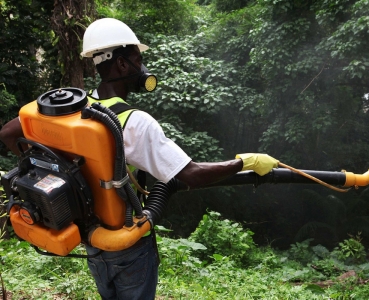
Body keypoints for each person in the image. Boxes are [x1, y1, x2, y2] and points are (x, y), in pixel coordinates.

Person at [0, 18, 278, 300]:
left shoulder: (75, 111)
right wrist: (246, 162)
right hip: (129, 244)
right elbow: (190, 174)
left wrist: (47, 167)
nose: (142, 67)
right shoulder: (133, 121)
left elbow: (9, 132)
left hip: (92, 238)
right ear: (122, 65)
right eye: (137, 59)